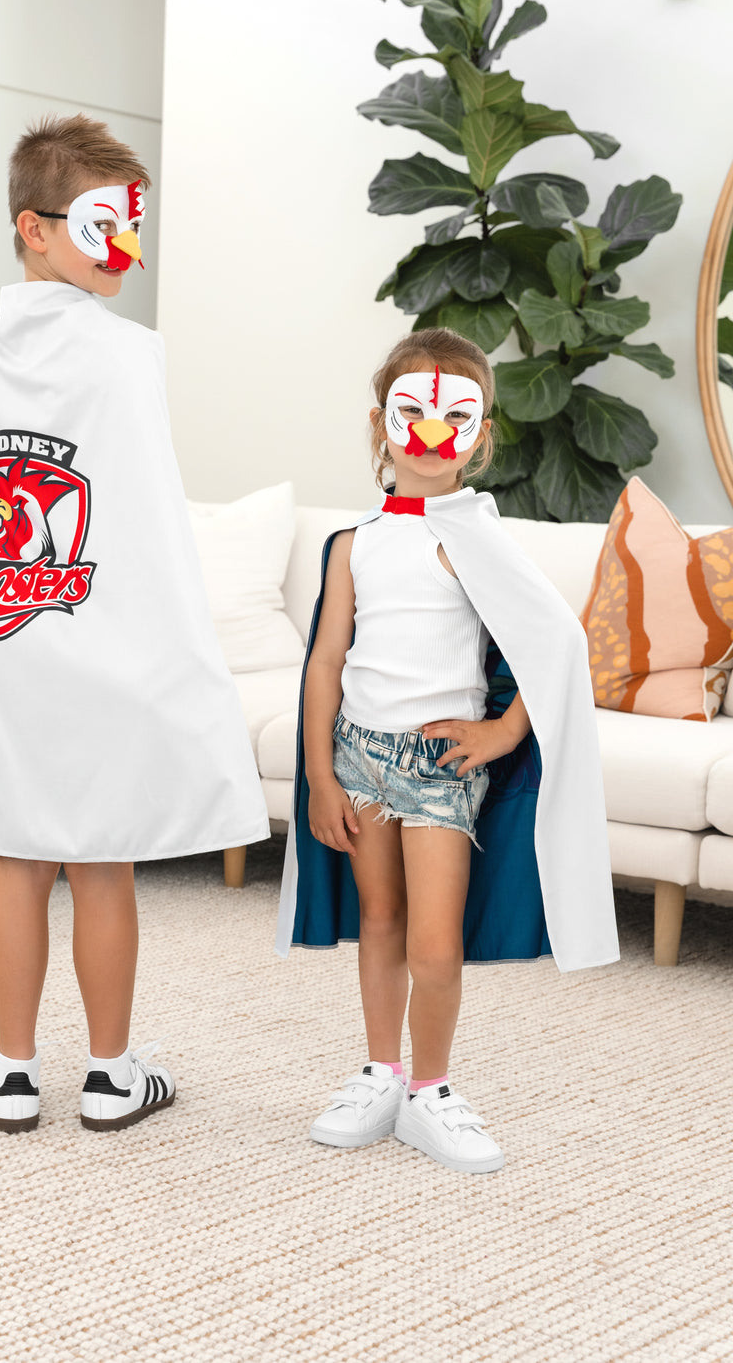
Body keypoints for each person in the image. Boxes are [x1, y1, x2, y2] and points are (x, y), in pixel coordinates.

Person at [0, 115, 268, 1134]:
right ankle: (113, 1075)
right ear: (36, 228)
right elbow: (145, 519)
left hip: (4, 646)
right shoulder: (128, 359)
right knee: (101, 858)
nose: (131, 248)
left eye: (134, 224)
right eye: (108, 223)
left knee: (15, 856)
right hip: (97, 645)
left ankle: (14, 1073)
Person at [275, 327, 618, 1174]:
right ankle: (381, 1074)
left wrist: (503, 732)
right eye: (412, 411)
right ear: (379, 424)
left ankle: (431, 1090)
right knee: (379, 924)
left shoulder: (477, 535)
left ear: (483, 431)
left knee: (434, 943)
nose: (432, 432)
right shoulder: (353, 543)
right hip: (359, 761)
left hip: (438, 773)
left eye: (456, 414)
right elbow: (327, 658)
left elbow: (557, 643)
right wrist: (320, 774)